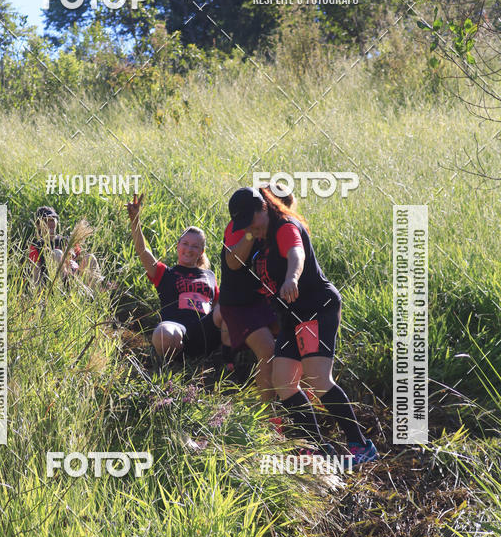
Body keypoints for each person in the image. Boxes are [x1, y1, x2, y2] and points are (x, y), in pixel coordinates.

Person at [236, 185, 378, 468]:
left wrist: (292, 279)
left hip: (316, 308)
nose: (250, 229)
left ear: (263, 208)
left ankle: (360, 445)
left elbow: (296, 255)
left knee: (317, 378)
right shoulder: (261, 239)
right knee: (283, 381)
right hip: (291, 316)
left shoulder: (285, 226)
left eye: (251, 221)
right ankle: (314, 447)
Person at [127, 192, 222, 361]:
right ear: (178, 246)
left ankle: (227, 358)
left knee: (229, 307)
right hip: (176, 329)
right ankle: (174, 361)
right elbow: (143, 251)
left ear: (201, 252)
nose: (189, 249)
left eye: (195, 246)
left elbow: (219, 308)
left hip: (205, 332)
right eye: (185, 244)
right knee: (162, 333)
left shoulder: (210, 276)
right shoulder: (165, 274)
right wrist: (135, 221)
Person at [220, 187, 279, 401]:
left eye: (249, 218)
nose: (245, 223)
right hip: (237, 304)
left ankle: (298, 401)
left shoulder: (276, 222)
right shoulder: (240, 228)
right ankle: (267, 417)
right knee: (268, 351)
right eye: (241, 220)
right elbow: (233, 263)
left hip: (263, 300)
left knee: (292, 341)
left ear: (263, 208)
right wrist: (250, 233)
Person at [28, 206, 103, 292]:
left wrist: (73, 263)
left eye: (52, 220)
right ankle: (63, 291)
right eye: (46, 221)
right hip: (54, 285)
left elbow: (80, 259)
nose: (50, 224)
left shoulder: (66, 241)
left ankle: (95, 296)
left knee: (90, 258)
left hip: (75, 280)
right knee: (57, 253)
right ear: (38, 225)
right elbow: (36, 275)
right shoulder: (36, 247)